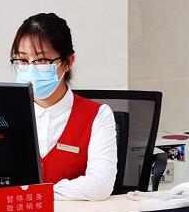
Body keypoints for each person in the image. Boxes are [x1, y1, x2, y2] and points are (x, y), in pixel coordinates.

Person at [10, 13, 117, 201]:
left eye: (42, 60)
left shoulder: (98, 115)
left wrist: (36, 194)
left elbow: (100, 185)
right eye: (23, 60)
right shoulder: (6, 113)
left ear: (68, 62)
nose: (31, 69)